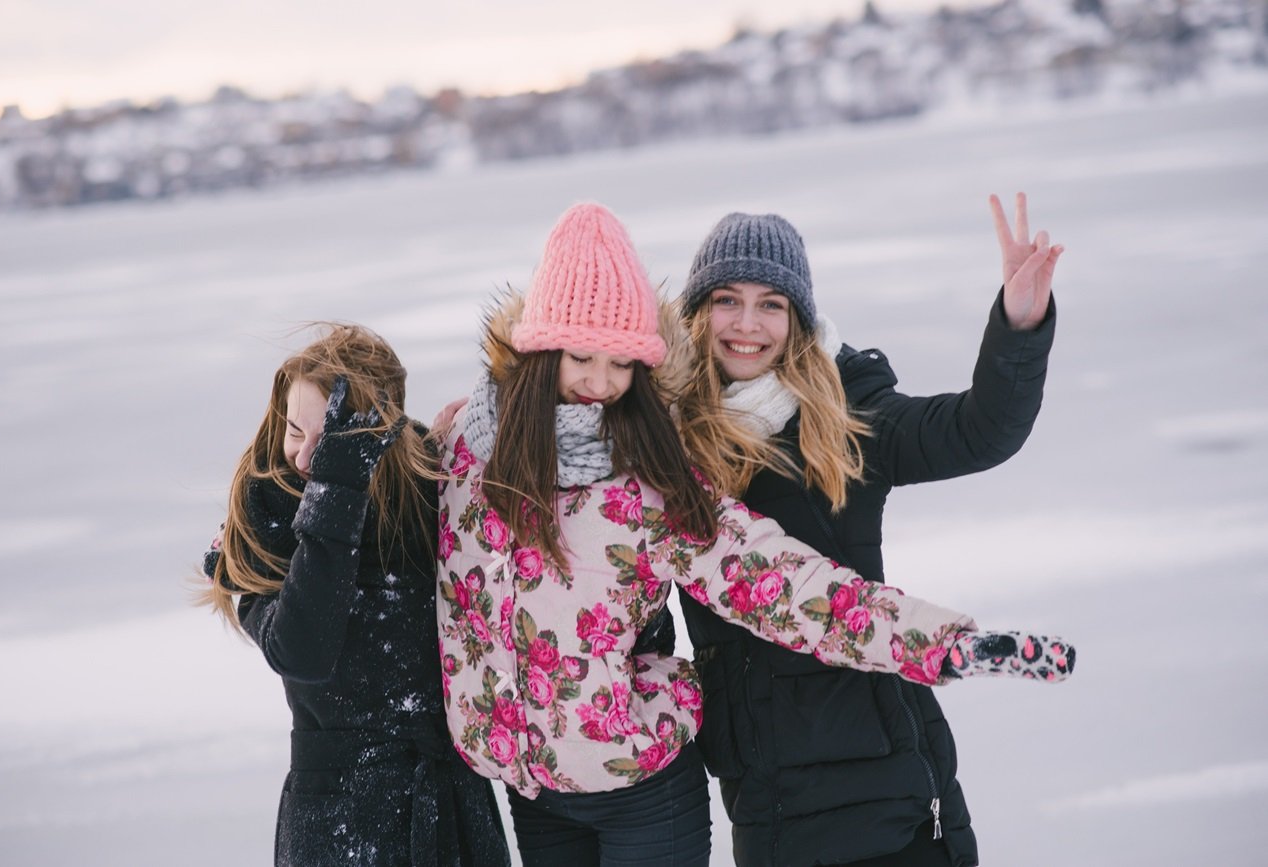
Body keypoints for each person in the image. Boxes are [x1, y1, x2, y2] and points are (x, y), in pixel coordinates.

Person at [434, 203, 1074, 867]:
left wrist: (948, 643)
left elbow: (798, 585)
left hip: (853, 764)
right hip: (741, 787)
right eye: (727, 301)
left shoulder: (787, 438)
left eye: (771, 304)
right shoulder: (529, 449)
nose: (600, 383)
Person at [674, 195, 1065, 866]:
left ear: (798, 318)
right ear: (696, 311)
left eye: (771, 304)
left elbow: (980, 430)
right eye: (727, 300)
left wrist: (1019, 325)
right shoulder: (667, 436)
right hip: (768, 800)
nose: (747, 324)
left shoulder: (849, 416)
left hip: (890, 786)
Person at [202, 324, 511, 867]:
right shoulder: (264, 518)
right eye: (295, 431)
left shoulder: (428, 492)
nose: (303, 458)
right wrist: (336, 489)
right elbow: (303, 651)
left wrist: (483, 437)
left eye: (327, 440)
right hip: (336, 816)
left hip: (448, 802)